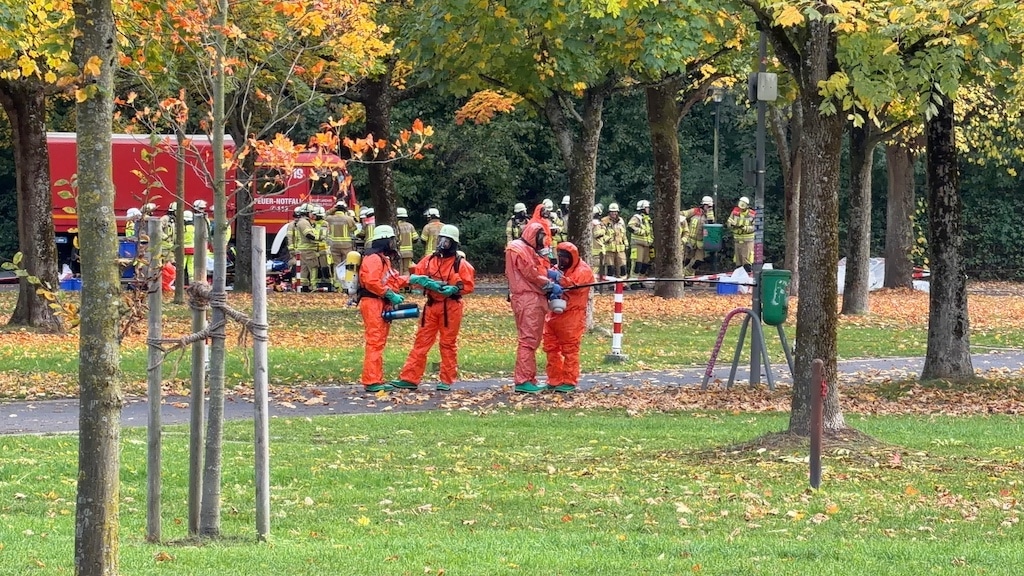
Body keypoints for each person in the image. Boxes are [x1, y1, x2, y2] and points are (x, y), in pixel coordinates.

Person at [391, 225, 476, 392]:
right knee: (421, 342)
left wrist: (455, 289)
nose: (442, 243)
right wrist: (421, 280)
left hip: (451, 307)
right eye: (440, 240)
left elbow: (468, 285)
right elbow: (415, 276)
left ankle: (447, 379)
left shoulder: (460, 264)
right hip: (431, 305)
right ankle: (409, 378)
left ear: (453, 243)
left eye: (446, 240)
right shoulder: (430, 260)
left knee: (447, 343)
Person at [506, 221, 563, 394]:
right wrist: (549, 284)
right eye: (541, 237)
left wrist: (548, 274)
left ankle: (528, 378)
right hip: (528, 298)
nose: (542, 242)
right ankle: (523, 380)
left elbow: (535, 270)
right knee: (529, 340)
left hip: (527, 297)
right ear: (534, 235)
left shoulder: (522, 248)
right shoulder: (520, 250)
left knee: (529, 339)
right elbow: (531, 273)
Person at [357, 225, 410, 392]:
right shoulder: (374, 259)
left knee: (378, 341)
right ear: (386, 240)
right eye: (392, 240)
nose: (393, 243)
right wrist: (389, 293)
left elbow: (391, 279)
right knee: (375, 341)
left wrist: (411, 279)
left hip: (379, 302)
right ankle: (372, 381)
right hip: (373, 303)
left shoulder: (381, 259)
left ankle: (375, 378)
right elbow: (372, 282)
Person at [543, 242, 594, 393]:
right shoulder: (559, 268)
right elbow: (549, 276)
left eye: (565, 258)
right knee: (551, 348)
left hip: (572, 316)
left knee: (570, 350)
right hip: (554, 313)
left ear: (572, 257)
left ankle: (569, 381)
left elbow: (574, 285)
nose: (562, 260)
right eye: (560, 257)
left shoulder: (583, 270)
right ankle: (554, 379)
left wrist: (559, 280)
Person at [680, 196, 715, 277]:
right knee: (687, 260)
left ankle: (685, 274)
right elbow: (683, 214)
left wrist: (709, 215)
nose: (709, 208)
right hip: (690, 242)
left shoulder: (710, 215)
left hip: (701, 243)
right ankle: (687, 278)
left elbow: (711, 226)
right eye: (708, 206)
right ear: (703, 205)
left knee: (698, 261)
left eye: (710, 206)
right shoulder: (695, 211)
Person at [326, 199, 357, 289]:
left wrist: (331, 210)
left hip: (334, 246)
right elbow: (354, 229)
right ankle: (346, 284)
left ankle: (337, 284)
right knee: (347, 264)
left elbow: (324, 216)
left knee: (336, 264)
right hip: (346, 246)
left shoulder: (329, 219)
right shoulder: (348, 219)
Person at [727, 196, 756, 272]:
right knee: (738, 262)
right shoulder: (735, 212)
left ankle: (748, 280)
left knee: (747, 262)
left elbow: (755, 227)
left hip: (747, 241)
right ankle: (739, 280)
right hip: (737, 240)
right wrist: (731, 224)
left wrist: (745, 228)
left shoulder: (752, 214)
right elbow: (728, 223)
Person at [627, 199, 653, 280]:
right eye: (647, 207)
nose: (648, 209)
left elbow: (650, 232)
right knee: (637, 264)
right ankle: (633, 281)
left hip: (647, 245)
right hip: (637, 244)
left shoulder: (648, 219)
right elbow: (630, 227)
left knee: (645, 264)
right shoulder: (637, 217)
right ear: (642, 208)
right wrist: (640, 231)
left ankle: (640, 280)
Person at [601, 203, 627, 279]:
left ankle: (623, 284)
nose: (614, 213)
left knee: (623, 267)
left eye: (615, 211)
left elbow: (624, 233)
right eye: (612, 211)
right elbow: (601, 234)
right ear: (609, 212)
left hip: (620, 248)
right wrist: (608, 238)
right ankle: (611, 284)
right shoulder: (604, 221)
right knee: (610, 268)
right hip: (609, 248)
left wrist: (626, 243)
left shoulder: (621, 221)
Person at [396, 207, 420, 275]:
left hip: (398, 252)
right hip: (408, 252)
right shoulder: (410, 226)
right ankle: (407, 284)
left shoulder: (395, 226)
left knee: (399, 270)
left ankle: (401, 285)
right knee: (406, 270)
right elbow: (415, 239)